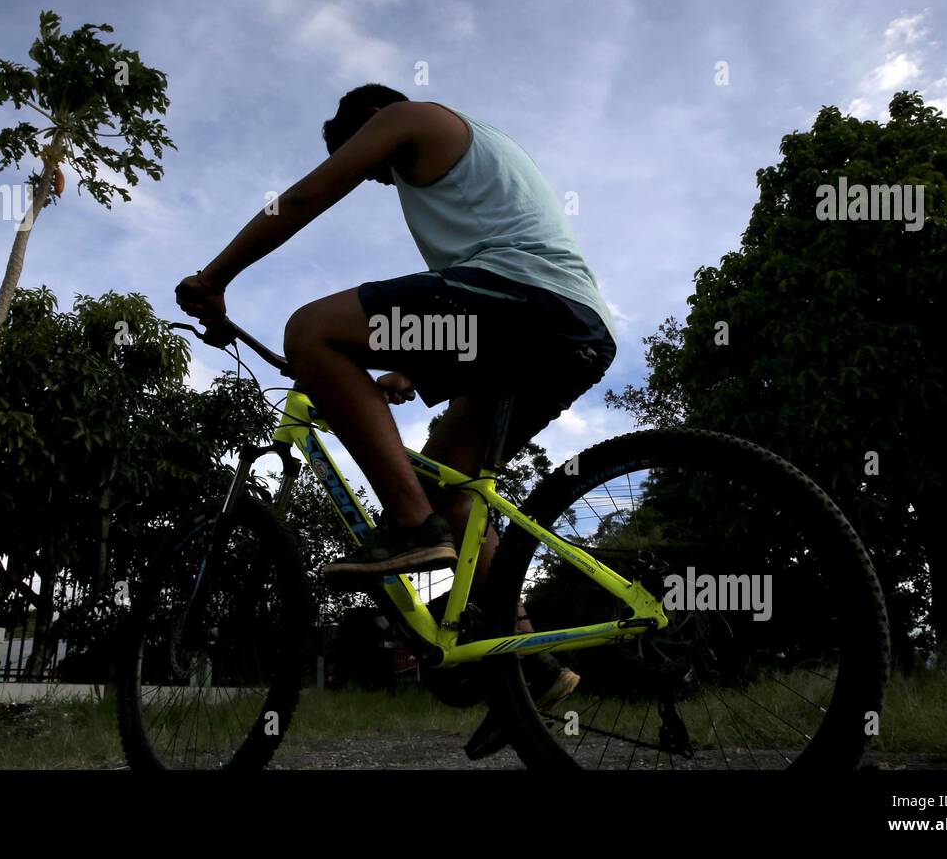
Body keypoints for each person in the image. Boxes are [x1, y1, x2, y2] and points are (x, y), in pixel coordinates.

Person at [176, 84, 617, 757]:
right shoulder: (481, 159)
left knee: (314, 330)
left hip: (524, 304)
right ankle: (526, 666)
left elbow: (301, 199)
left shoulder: (412, 119)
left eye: (368, 157)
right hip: (561, 328)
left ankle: (409, 527)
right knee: (454, 476)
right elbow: (466, 292)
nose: (378, 174)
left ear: (374, 121)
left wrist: (216, 277)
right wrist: (406, 369)